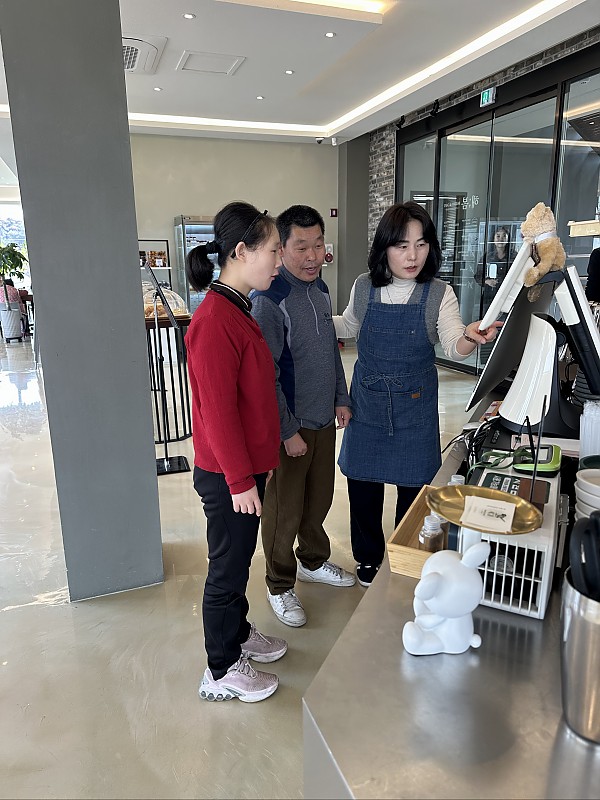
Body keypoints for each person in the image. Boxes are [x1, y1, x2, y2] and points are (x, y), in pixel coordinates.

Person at [334, 201, 501, 587]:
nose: (412, 256)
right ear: (385, 248)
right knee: (362, 486)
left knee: (414, 492)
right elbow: (349, 325)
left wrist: (470, 337)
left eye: (421, 244)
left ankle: (404, 555)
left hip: (415, 410)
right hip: (368, 405)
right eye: (402, 245)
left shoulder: (439, 293)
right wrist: (313, 323)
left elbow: (453, 343)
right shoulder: (364, 286)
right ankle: (368, 558)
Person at [185, 201, 288, 704]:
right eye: (274, 250)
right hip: (229, 475)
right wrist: (240, 481)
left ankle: (239, 632)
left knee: (240, 559)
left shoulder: (235, 308)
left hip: (244, 469)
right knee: (227, 568)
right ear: (241, 252)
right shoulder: (214, 320)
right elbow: (217, 413)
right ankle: (221, 668)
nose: (280, 261)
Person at [251, 205, 355, 628]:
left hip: (322, 420)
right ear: (282, 248)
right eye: (301, 247)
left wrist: (340, 397)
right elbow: (266, 376)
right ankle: (279, 583)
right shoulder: (268, 300)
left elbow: (330, 349)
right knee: (283, 511)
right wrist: (287, 430)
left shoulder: (321, 289)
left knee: (319, 499)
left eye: (318, 245)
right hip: (289, 427)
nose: (313, 256)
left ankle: (312, 560)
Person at [474, 226, 518, 313]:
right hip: (489, 297)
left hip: (508, 296)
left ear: (508, 239)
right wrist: (487, 281)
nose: (500, 239)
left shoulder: (514, 256)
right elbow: (478, 276)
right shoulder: (488, 256)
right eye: (498, 236)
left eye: (504, 236)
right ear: (493, 238)